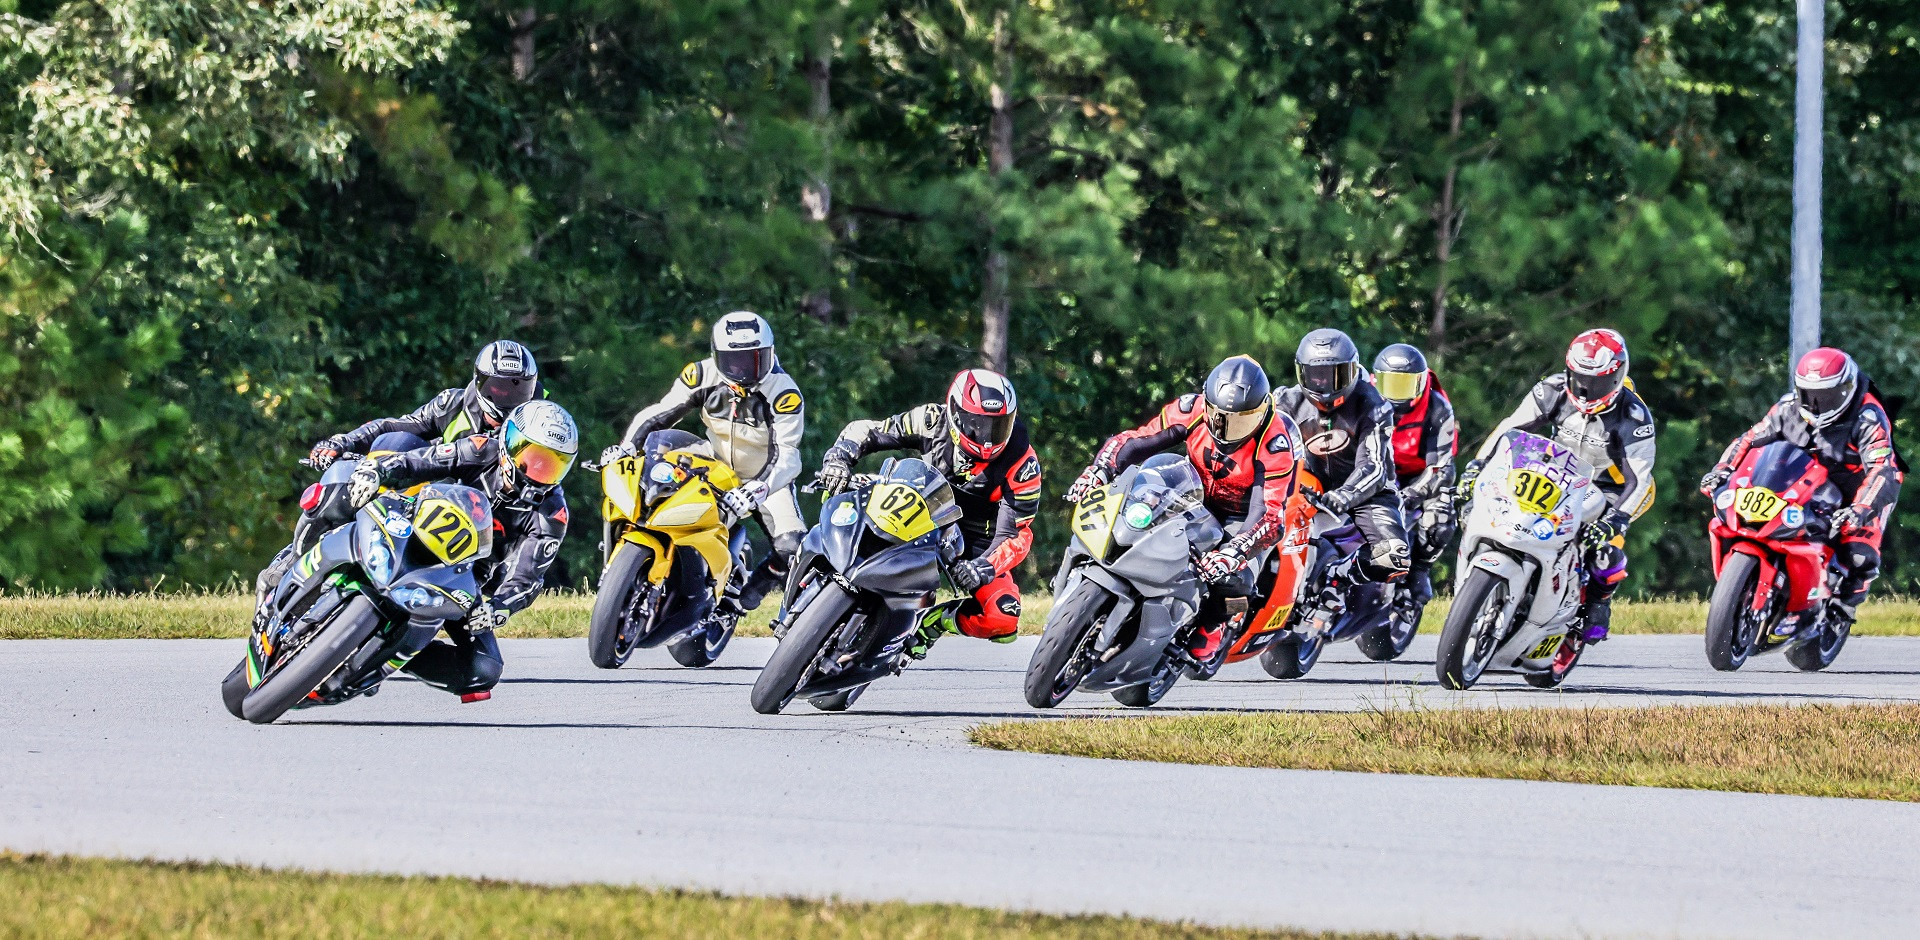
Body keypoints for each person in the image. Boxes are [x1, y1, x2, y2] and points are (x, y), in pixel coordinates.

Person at [1066, 355, 1303, 660]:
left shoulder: (1275, 443)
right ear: (1207, 404)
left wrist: (1234, 552)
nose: (1227, 429)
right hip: (1194, 493)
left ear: (1260, 413)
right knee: (1135, 513)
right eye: (1219, 417)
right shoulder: (1190, 409)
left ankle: (1217, 621)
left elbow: (1269, 515)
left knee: (1238, 579)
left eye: (1241, 420)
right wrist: (1100, 469)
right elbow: (1137, 440)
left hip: (1242, 516)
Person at [342, 399, 578, 700]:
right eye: (531, 456)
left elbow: (528, 579)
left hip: (463, 576)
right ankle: (291, 566)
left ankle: (381, 658)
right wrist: (379, 471)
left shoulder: (552, 515)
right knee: (344, 488)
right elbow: (423, 460)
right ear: (509, 442)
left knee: (484, 668)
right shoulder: (481, 448)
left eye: (551, 464)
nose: (537, 471)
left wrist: (498, 608)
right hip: (411, 529)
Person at [818, 369, 1040, 655]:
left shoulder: (1023, 463)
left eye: (998, 426)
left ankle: (935, 622)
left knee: (1003, 617)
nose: (987, 438)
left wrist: (983, 567)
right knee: (840, 494)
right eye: (977, 424)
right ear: (955, 413)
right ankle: (816, 569)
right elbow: (870, 430)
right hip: (918, 506)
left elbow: (1017, 533)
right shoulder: (931, 420)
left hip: (974, 539)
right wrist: (839, 457)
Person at [602, 312, 806, 617]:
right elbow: (659, 414)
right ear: (717, 356)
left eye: (754, 359)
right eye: (733, 361)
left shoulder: (784, 394)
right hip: (713, 463)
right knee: (647, 490)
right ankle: (621, 569)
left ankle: (748, 596)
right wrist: (626, 447)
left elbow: (787, 455)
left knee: (792, 545)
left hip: (766, 477)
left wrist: (755, 490)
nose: (744, 370)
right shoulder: (701, 375)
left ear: (770, 353)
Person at [1459, 328, 1655, 641]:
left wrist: (1616, 519)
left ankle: (1598, 603)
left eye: (1598, 382)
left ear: (1618, 376)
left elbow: (1640, 479)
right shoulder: (1551, 389)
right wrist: (1477, 467)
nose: (1587, 389)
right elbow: (1508, 429)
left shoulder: (1633, 415)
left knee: (1601, 547)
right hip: (1557, 471)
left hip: (1614, 489)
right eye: (1580, 379)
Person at [1699, 347, 1904, 622]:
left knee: (1858, 553)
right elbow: (1749, 439)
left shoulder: (1868, 418)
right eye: (1809, 395)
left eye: (1828, 396)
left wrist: (1861, 507)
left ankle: (1845, 606)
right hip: (1805, 478)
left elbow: (1882, 468)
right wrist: (1723, 469)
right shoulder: (1787, 408)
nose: (1818, 404)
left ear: (1848, 388)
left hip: (1860, 487)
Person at [1269, 329, 1410, 586]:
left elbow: (1374, 466)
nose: (1324, 384)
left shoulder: (1373, 405)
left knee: (1394, 558)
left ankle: (1338, 575)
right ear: (1301, 372)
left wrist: (1344, 495)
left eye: (1336, 375)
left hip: (1365, 491)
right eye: (1316, 375)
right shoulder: (1284, 402)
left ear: (1353, 370)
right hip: (1305, 484)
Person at [307, 340, 541, 469]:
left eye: (518, 389)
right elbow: (392, 427)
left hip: (484, 517)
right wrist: (341, 442)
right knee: (399, 442)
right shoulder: (452, 403)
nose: (507, 398)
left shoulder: (538, 426)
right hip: (427, 492)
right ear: (480, 383)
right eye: (499, 388)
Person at [1372, 343, 1458, 613]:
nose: (1395, 394)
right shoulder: (1363, 397)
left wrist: (1409, 495)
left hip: (1419, 477)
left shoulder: (1437, 407)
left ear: (1421, 383)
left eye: (1405, 385)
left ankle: (1420, 569)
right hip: (1372, 470)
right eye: (1389, 384)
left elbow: (1440, 467)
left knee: (1441, 516)